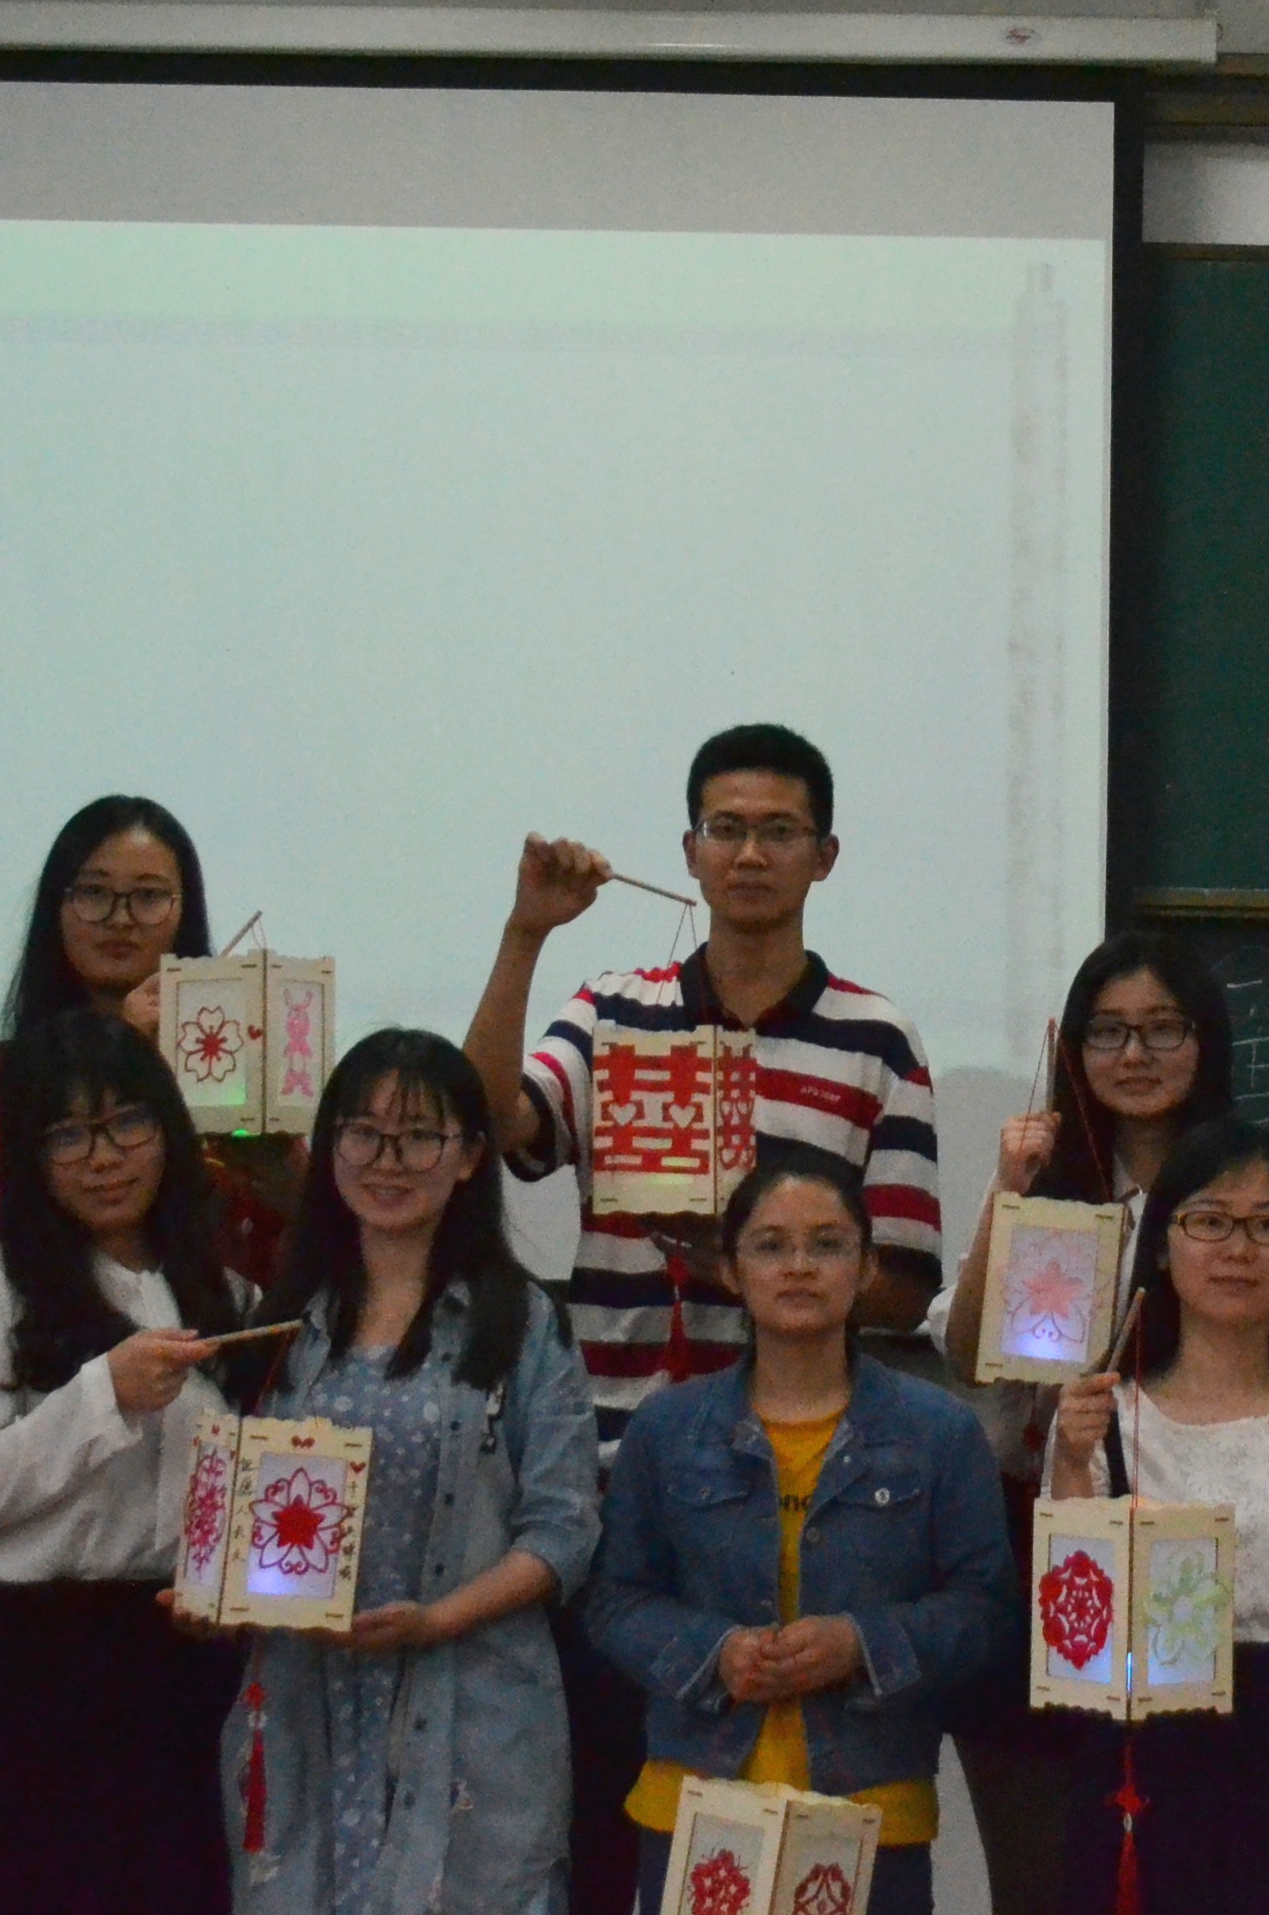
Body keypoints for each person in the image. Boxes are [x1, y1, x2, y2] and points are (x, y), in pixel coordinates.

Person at [459, 720, 944, 1915]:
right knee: (606, 1830)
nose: (751, 854)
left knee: (788, 1850)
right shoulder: (611, 1011)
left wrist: (755, 1268)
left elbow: (903, 1285)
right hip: (611, 1479)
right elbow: (491, 1122)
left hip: (803, 1494)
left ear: (825, 854)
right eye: (727, 828)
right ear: (688, 850)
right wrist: (524, 931)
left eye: (780, 830)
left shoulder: (876, 1039)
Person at [210, 1030, 604, 1915]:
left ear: (469, 1157)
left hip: (471, 1703)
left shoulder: (524, 1324)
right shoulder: (280, 1321)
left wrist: (436, 1621)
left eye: (419, 1137)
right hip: (306, 1701)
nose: (388, 1161)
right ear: (330, 1148)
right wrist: (216, 1591)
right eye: (363, 1133)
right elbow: (242, 1513)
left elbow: (564, 1531)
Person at [586, 1148, 1020, 1915]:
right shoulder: (666, 1429)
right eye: (770, 1245)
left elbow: (986, 1613)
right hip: (695, 1806)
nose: (798, 1267)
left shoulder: (940, 1433)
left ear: (868, 1266)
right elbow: (615, 1602)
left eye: (827, 1244)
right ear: (731, 1269)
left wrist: (862, 1644)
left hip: (870, 1809)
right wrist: (716, 1653)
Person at [0, 1007, 253, 1915]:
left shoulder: (226, 1291)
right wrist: (101, 1397)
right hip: (24, 1668)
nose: (104, 1157)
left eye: (128, 1122)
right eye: (68, 1134)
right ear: (31, 1154)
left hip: (179, 1665)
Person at [943, 932, 1239, 1915]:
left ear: (1205, 1041)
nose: (1135, 1054)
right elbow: (967, 1357)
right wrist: (1007, 1192)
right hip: (1036, 1540)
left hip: (1186, 1546)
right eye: (1108, 1032)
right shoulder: (1048, 1186)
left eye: (1163, 1029)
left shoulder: (1244, 1186)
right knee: (1038, 1877)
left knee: (1176, 1864)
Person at [1038, 1119, 1269, 1915]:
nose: (1238, 1249)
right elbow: (1073, 1644)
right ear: (1162, 1248)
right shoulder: (1102, 1420)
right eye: (1209, 1221)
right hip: (1138, 1768)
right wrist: (1068, 1463)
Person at [0, 795, 291, 1273]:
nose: (121, 918)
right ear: (56, 907)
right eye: (94, 893)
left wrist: (288, 1172)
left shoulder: (236, 1070)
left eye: (148, 896)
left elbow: (290, 1244)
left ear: (184, 912)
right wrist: (118, 1057)